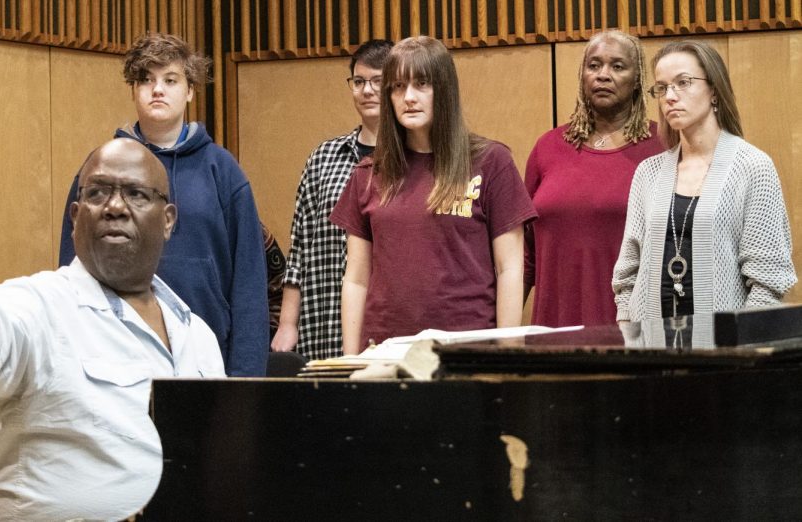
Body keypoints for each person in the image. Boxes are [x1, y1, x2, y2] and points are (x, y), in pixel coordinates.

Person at [0, 139, 226, 521]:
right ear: (75, 215)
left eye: (136, 194)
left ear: (167, 220)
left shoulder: (197, 335)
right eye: (98, 193)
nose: (114, 207)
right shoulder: (40, 303)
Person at [59, 32, 269, 376]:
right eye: (147, 80)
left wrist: (245, 380)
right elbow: (72, 265)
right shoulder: (101, 167)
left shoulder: (223, 171)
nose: (158, 90)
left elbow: (248, 284)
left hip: (205, 357)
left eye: (170, 80)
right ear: (133, 90)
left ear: (189, 91)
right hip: (112, 357)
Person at [330, 36, 537, 354]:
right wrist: (350, 361)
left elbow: (509, 267)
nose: (408, 97)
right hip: (385, 353)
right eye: (398, 87)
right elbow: (356, 279)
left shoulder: (491, 161)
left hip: (466, 353)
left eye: (421, 84)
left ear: (444, 90)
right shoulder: (368, 173)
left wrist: (509, 353)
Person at [612, 39, 796, 321]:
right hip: (649, 353)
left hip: (724, 354)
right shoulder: (648, 173)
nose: (669, 97)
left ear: (713, 90)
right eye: (661, 88)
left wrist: (739, 350)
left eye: (683, 82)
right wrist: (629, 337)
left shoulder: (753, 167)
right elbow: (627, 274)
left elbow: (768, 281)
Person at [524, 30, 664, 328]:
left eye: (617, 66)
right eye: (594, 65)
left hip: (633, 330)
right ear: (582, 75)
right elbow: (525, 256)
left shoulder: (662, 146)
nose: (603, 75)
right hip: (554, 330)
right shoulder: (547, 148)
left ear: (637, 78)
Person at [271, 39, 393, 360]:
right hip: (323, 322)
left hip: (390, 325)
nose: (367, 91)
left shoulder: (417, 161)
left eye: (378, 81)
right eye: (359, 81)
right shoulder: (323, 158)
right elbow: (299, 248)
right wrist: (287, 323)